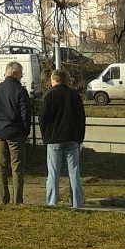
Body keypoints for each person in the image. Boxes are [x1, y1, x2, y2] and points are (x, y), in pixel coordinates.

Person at [39, 68, 86, 209]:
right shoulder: (75, 95)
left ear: (54, 80)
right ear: (66, 80)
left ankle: (52, 202)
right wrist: (80, 138)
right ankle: (77, 202)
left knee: (53, 173)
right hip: (72, 138)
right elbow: (81, 118)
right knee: (74, 172)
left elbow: (43, 118)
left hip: (54, 139)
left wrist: (45, 137)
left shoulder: (49, 95)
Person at [0, 60, 31, 204]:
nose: (22, 76)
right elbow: (25, 114)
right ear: (15, 73)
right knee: (17, 167)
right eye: (21, 74)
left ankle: (2, 198)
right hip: (16, 133)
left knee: (1, 166)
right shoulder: (20, 91)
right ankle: (17, 200)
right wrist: (25, 131)